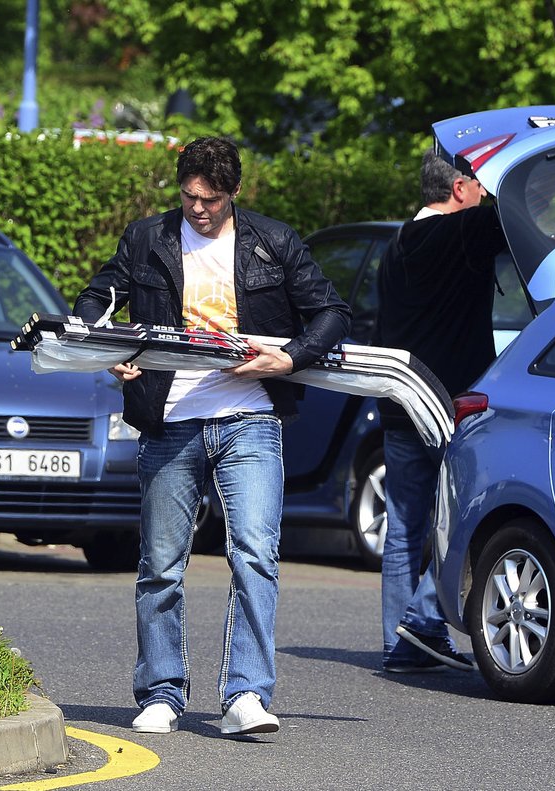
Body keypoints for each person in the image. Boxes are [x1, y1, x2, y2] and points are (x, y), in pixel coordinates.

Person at [73, 136, 351, 735]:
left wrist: (289, 359)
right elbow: (96, 297)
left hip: (250, 416)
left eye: (212, 199)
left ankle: (246, 695)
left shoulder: (272, 242)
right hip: (169, 417)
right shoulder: (147, 237)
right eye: (190, 196)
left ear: (235, 193)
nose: (199, 209)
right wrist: (111, 350)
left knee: (255, 555)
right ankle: (161, 693)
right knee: (161, 563)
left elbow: (332, 313)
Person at [373, 150, 508, 673]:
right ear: (459, 191)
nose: (485, 197)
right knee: (471, 510)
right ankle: (426, 618)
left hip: (399, 402)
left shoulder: (397, 243)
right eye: (479, 187)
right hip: (450, 405)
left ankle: (401, 645)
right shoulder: (462, 234)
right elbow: (523, 207)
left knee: (405, 527)